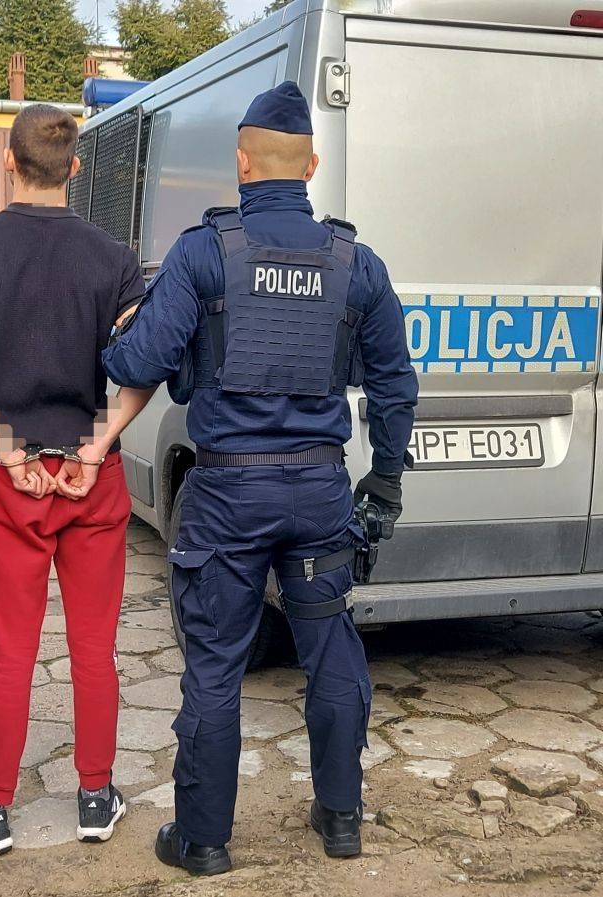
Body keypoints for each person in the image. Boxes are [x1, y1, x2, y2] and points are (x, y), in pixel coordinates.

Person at [102, 81, 418, 873]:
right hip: (317, 493)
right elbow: (394, 385)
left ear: (241, 164)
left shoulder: (204, 252)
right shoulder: (356, 262)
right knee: (331, 648)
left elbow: (139, 363)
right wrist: (384, 482)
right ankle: (341, 818)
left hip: (227, 498)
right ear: (310, 166)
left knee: (215, 665)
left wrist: (118, 337)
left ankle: (203, 840)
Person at [0, 104, 147, 856]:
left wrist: (6, 444)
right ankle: (95, 796)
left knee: (11, 651)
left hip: (8, 479)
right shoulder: (114, 257)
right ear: (75, 168)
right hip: (91, 476)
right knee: (94, 646)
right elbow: (147, 361)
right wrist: (99, 441)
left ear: (7, 160)